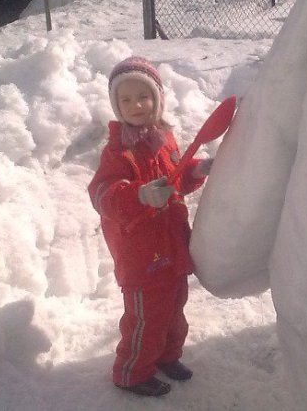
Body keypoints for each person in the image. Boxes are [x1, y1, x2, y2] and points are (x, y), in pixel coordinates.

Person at [88, 56, 214, 396]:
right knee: (147, 319)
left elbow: (177, 177)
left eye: (143, 96)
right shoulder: (118, 153)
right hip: (141, 255)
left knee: (174, 309)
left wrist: (196, 171)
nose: (136, 105)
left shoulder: (164, 141)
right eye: (125, 100)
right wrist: (139, 194)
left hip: (172, 246)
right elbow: (101, 193)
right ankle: (131, 373)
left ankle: (166, 356)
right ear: (116, 106)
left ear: (157, 99)